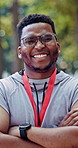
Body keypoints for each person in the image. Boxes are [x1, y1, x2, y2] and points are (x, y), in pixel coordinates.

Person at [0, 14, 78, 148]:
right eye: (30, 41)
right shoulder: (4, 88)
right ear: (20, 51)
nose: (40, 45)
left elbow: (75, 137)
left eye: (47, 39)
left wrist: (22, 130)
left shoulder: (74, 87)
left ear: (58, 47)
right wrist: (58, 141)